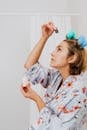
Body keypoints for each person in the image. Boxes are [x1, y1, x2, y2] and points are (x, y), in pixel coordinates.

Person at [20, 22, 87, 130]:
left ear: (72, 58)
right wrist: (44, 37)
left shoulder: (78, 92)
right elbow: (30, 66)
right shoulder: (57, 77)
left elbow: (57, 128)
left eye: (59, 49)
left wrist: (37, 98)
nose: (52, 53)